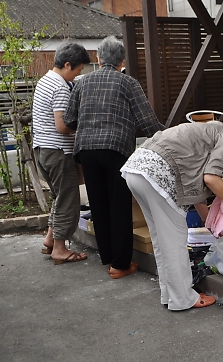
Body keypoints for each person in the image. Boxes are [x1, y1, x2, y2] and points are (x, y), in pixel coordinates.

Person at [121, 108, 223, 310]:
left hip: (136, 169)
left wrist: (208, 218)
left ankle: (169, 295)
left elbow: (196, 179)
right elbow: (211, 179)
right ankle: (183, 299)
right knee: (175, 241)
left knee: (161, 240)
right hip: (158, 175)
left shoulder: (203, 130)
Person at [63, 36, 165, 279]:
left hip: (86, 150)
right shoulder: (128, 83)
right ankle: (120, 265)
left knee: (98, 204)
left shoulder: (81, 83)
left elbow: (69, 119)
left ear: (98, 59)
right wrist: (170, 137)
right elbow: (147, 122)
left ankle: (107, 257)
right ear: (122, 61)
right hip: (116, 149)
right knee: (119, 205)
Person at [32, 41, 91, 264]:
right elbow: (62, 126)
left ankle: (49, 240)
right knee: (68, 201)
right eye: (77, 70)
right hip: (58, 151)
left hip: (42, 149)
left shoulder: (45, 81)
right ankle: (59, 249)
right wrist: (85, 124)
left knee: (59, 198)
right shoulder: (59, 87)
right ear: (67, 65)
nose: (78, 75)